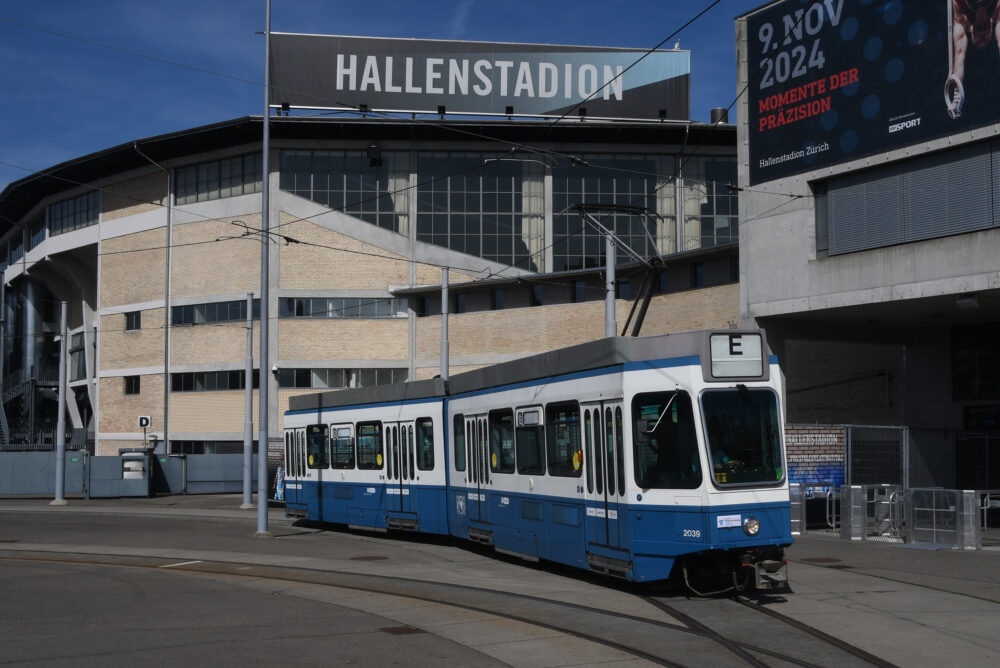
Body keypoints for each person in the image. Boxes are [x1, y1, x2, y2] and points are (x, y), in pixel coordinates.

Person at [947, 0, 1000, 118]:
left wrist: (956, 101)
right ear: (992, 27)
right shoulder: (997, 10)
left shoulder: (961, 20)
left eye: (978, 41)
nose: (983, 37)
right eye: (986, 39)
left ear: (970, 31)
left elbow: (959, 58)